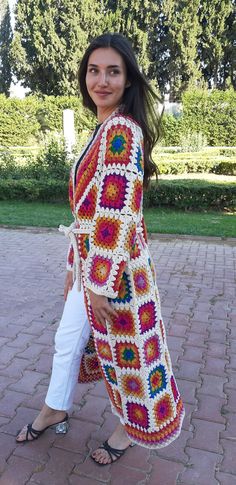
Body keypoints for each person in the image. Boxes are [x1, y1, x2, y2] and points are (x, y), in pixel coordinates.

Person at [16, 32, 185, 465]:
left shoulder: (122, 131)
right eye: (94, 70)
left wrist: (98, 284)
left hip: (118, 271)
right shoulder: (104, 127)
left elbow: (117, 212)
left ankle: (129, 430)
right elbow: (89, 213)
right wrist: (77, 264)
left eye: (113, 71)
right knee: (67, 339)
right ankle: (56, 406)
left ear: (127, 80)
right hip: (92, 263)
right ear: (84, 76)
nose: (102, 80)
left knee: (132, 355)